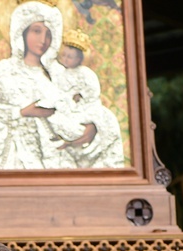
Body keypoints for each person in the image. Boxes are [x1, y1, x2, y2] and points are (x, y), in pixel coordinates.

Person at [0, 1, 107, 170]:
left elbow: (89, 106)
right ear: (21, 31)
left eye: (49, 34)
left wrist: (91, 128)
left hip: (59, 159)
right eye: (36, 31)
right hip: (16, 162)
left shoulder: (62, 74)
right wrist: (21, 113)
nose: (43, 40)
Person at [46, 29, 125, 168]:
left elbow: (91, 92)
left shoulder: (86, 74)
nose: (65, 59)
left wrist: (80, 96)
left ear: (79, 59)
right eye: (63, 55)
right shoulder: (59, 72)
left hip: (84, 106)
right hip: (65, 106)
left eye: (70, 57)